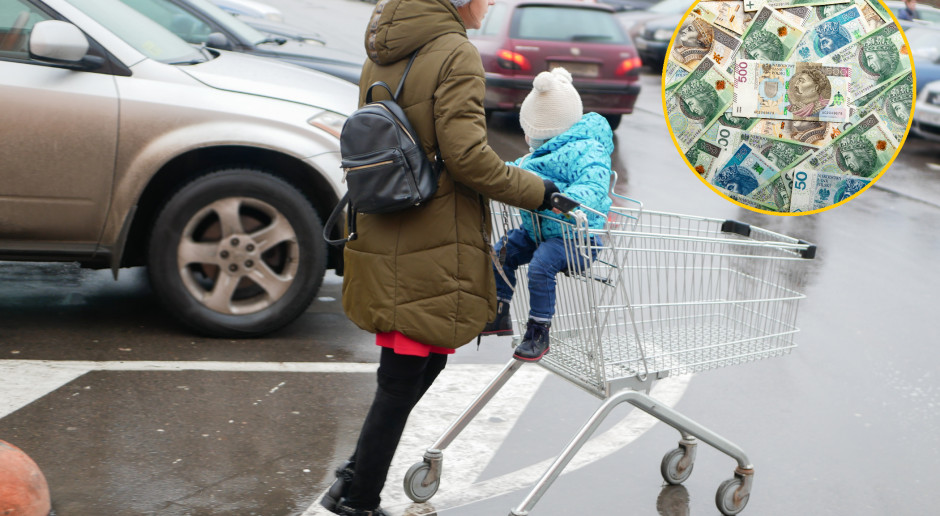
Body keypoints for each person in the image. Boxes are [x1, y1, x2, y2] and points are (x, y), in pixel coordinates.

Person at [319, 0, 559, 515]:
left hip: (386, 220)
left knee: (422, 361)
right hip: (430, 235)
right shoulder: (455, 52)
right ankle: (358, 500)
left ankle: (352, 480)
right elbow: (467, 157)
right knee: (402, 375)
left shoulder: (382, 49)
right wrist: (541, 191)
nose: (491, 3)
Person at [479, 67, 614, 362]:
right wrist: (493, 177)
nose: (528, 137)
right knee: (502, 252)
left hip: (577, 238)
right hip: (539, 232)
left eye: (533, 132)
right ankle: (498, 312)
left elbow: (594, 184)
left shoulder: (587, 149)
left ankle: (539, 331)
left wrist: (566, 202)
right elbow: (516, 171)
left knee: (541, 265)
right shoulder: (537, 154)